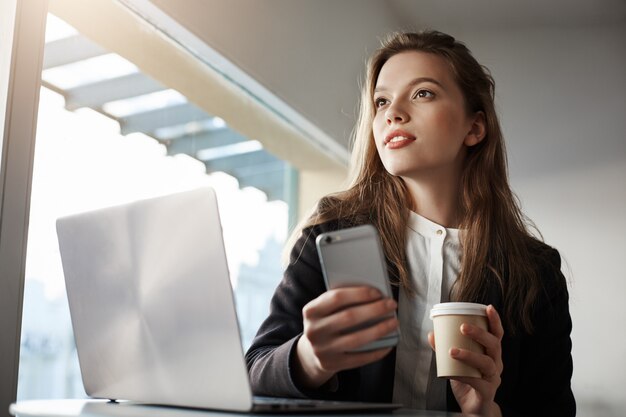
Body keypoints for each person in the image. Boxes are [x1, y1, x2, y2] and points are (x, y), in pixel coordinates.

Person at [245, 30, 575, 417]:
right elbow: (253, 372)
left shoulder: (536, 270)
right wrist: (309, 358)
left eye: (423, 93)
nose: (392, 113)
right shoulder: (329, 236)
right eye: (381, 100)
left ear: (475, 128)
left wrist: (487, 411)